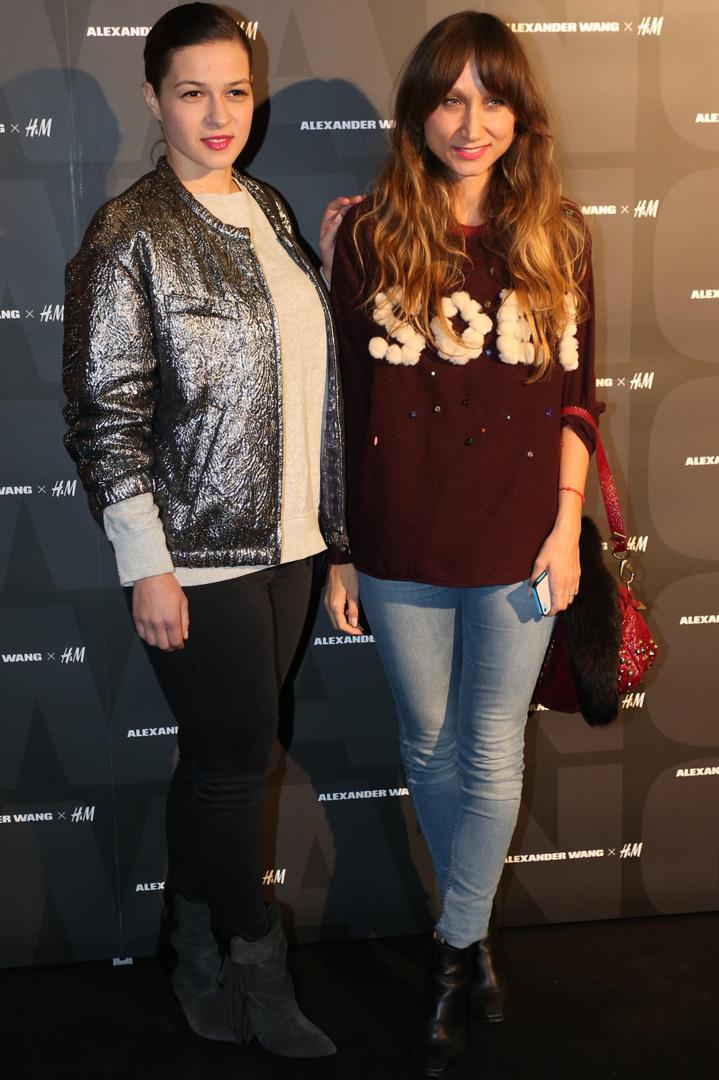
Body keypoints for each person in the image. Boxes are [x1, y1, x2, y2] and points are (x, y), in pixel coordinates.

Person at [62, 2, 357, 1060]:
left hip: (288, 548)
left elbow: (309, 389)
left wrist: (333, 541)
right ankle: (251, 964)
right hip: (196, 556)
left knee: (219, 763)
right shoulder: (129, 233)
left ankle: (187, 941)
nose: (219, 113)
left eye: (236, 90)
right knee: (235, 768)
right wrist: (147, 564)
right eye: (192, 92)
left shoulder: (266, 207)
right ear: (153, 99)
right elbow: (104, 417)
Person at [324, 11, 602, 1076]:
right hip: (397, 535)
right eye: (449, 99)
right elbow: (343, 405)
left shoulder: (560, 234)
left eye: (490, 99)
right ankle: (471, 936)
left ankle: (451, 951)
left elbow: (576, 398)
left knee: (489, 750)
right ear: (418, 113)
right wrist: (342, 548)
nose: (469, 122)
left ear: (518, 114)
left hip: (520, 539)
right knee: (429, 742)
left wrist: (566, 527)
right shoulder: (364, 234)